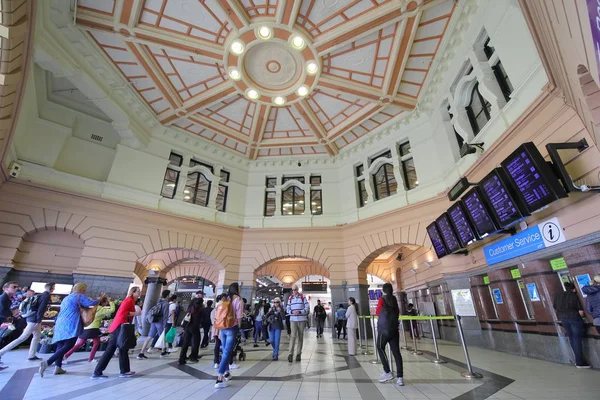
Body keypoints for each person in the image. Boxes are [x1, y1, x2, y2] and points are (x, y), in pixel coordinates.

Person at [39, 283, 100, 377]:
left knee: (60, 344)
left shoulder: (67, 297)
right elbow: (89, 303)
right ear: (82, 289)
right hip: (71, 322)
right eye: (84, 289)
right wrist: (99, 299)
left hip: (60, 322)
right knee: (69, 344)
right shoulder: (79, 296)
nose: (85, 291)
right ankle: (47, 362)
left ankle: (58, 367)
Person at [92, 286, 141, 379]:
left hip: (119, 326)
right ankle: (98, 372)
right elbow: (123, 313)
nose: (139, 293)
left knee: (122, 348)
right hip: (120, 326)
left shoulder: (130, 300)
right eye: (138, 292)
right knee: (114, 349)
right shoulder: (129, 300)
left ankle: (124, 371)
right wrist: (135, 313)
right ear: (133, 292)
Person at [0, 282, 52, 366]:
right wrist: (38, 320)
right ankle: (1, 352)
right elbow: (41, 309)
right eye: (14, 287)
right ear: (5, 288)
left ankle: (32, 355)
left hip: (32, 319)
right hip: (34, 320)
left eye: (16, 287)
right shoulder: (45, 296)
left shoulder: (9, 298)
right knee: (22, 338)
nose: (16, 288)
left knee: (36, 336)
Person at [63, 296, 115, 363]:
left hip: (86, 327)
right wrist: (111, 302)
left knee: (80, 343)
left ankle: (66, 355)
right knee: (96, 343)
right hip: (93, 328)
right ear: (104, 303)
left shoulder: (91, 308)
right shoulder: (101, 309)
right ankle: (90, 359)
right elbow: (112, 310)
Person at [553, 282, 591, 368]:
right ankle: (579, 362)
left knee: (572, 339)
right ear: (574, 289)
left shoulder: (558, 295)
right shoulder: (573, 296)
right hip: (574, 318)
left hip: (564, 319)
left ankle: (577, 360)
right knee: (577, 339)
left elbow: (554, 306)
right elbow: (581, 312)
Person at [214, 283, 243, 389]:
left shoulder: (226, 298)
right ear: (237, 289)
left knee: (225, 350)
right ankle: (219, 378)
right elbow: (239, 316)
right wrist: (239, 328)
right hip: (232, 327)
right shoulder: (238, 300)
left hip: (223, 327)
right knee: (227, 352)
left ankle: (226, 372)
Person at [376, 283, 404, 386]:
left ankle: (387, 371)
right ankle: (400, 378)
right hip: (394, 329)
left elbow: (378, 312)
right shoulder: (395, 299)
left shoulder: (382, 300)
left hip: (384, 330)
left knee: (379, 347)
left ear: (383, 290)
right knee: (396, 353)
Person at [137, 289, 170, 359]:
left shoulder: (159, 302)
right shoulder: (166, 303)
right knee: (162, 336)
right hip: (160, 322)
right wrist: (164, 325)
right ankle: (163, 352)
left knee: (149, 336)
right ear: (167, 296)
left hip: (154, 321)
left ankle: (141, 352)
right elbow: (165, 316)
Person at [286, 284, 309, 363]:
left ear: (298, 290)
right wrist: (292, 312)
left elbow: (307, 309)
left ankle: (298, 354)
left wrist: (299, 312)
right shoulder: (290, 298)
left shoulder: (303, 297)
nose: (294, 291)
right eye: (292, 290)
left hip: (301, 320)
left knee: (300, 336)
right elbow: (287, 309)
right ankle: (290, 354)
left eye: (295, 289)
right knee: (293, 336)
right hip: (293, 319)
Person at [179, 297, 202, 365]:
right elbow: (202, 319)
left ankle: (182, 358)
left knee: (185, 343)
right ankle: (193, 357)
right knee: (195, 343)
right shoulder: (200, 309)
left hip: (187, 327)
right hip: (195, 327)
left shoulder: (190, 309)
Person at [211, 294, 223, 369]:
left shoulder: (214, 311)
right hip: (220, 329)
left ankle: (217, 361)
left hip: (217, 329)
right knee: (218, 345)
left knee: (218, 345)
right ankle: (217, 361)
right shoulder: (215, 311)